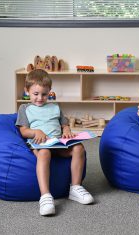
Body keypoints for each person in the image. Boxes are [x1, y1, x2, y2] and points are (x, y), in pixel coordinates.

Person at [16, 69, 94, 216]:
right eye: (35, 94)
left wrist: (66, 131)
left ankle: (75, 188)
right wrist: (36, 132)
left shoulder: (55, 107)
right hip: (40, 144)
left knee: (78, 148)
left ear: (50, 91)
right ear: (27, 91)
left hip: (58, 143)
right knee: (44, 153)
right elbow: (23, 131)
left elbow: (64, 124)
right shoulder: (25, 108)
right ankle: (45, 196)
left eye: (44, 94)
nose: (40, 98)